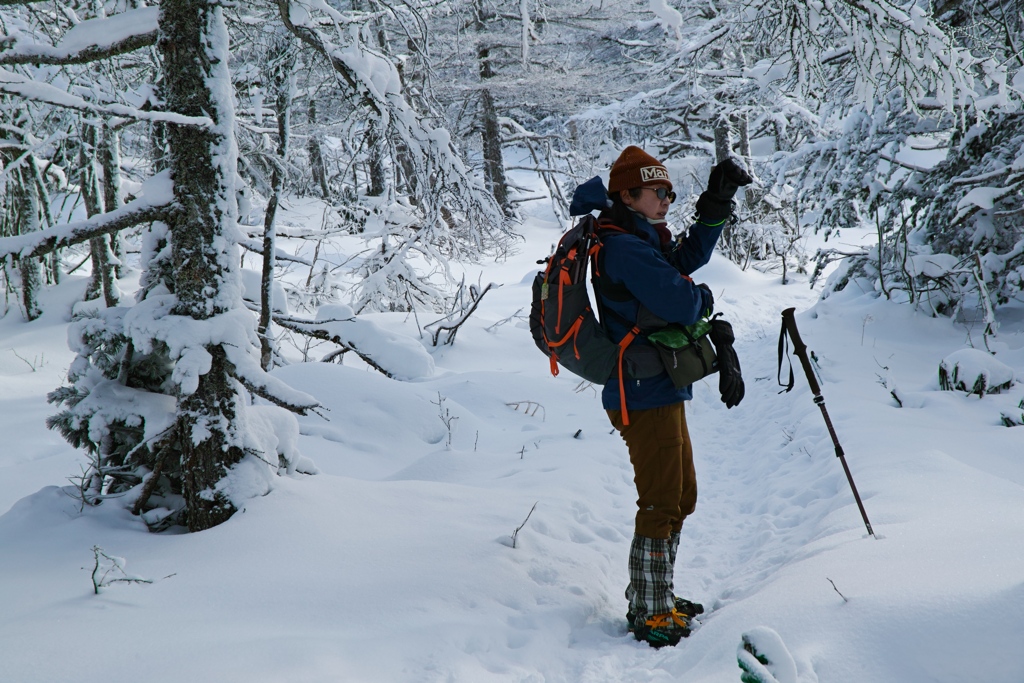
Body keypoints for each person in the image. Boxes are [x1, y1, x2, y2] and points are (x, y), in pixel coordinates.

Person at [575, 146, 752, 648]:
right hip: (640, 393)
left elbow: (686, 259)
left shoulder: (639, 237)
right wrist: (703, 301)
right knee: (660, 501)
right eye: (659, 191)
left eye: (670, 191)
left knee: (681, 496)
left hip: (658, 386)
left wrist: (716, 204)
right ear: (627, 195)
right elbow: (678, 298)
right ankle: (649, 613)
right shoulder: (625, 248)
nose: (667, 199)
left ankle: (655, 595)